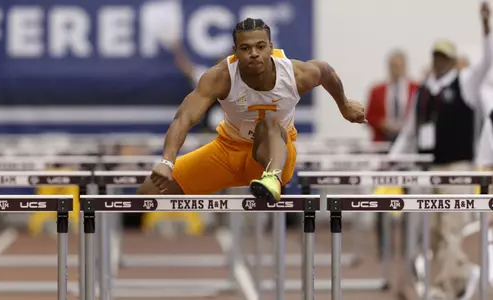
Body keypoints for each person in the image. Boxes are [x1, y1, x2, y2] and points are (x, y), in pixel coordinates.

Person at [138, 18, 366, 202]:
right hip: (226, 152)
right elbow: (184, 118)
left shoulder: (296, 75)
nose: (254, 53)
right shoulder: (220, 77)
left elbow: (326, 72)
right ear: (235, 52)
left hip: (273, 155)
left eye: (260, 47)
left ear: (271, 48)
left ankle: (271, 179)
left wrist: (344, 105)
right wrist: (167, 161)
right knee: (147, 194)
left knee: (269, 124)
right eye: (245, 48)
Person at [390, 3, 491, 299]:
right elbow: (409, 132)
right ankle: (461, 272)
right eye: (436, 55)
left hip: (458, 168)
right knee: (433, 231)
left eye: (445, 56)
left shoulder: (467, 85)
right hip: (430, 170)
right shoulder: (422, 90)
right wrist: (392, 161)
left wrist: (486, 27)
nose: (439, 61)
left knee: (451, 229)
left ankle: (444, 289)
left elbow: (488, 60)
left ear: (453, 59)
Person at [366, 50, 419, 143]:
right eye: (394, 65)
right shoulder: (377, 90)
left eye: (400, 65)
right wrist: (382, 124)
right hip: (383, 139)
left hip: (409, 140)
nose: (397, 69)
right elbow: (369, 116)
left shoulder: (416, 88)